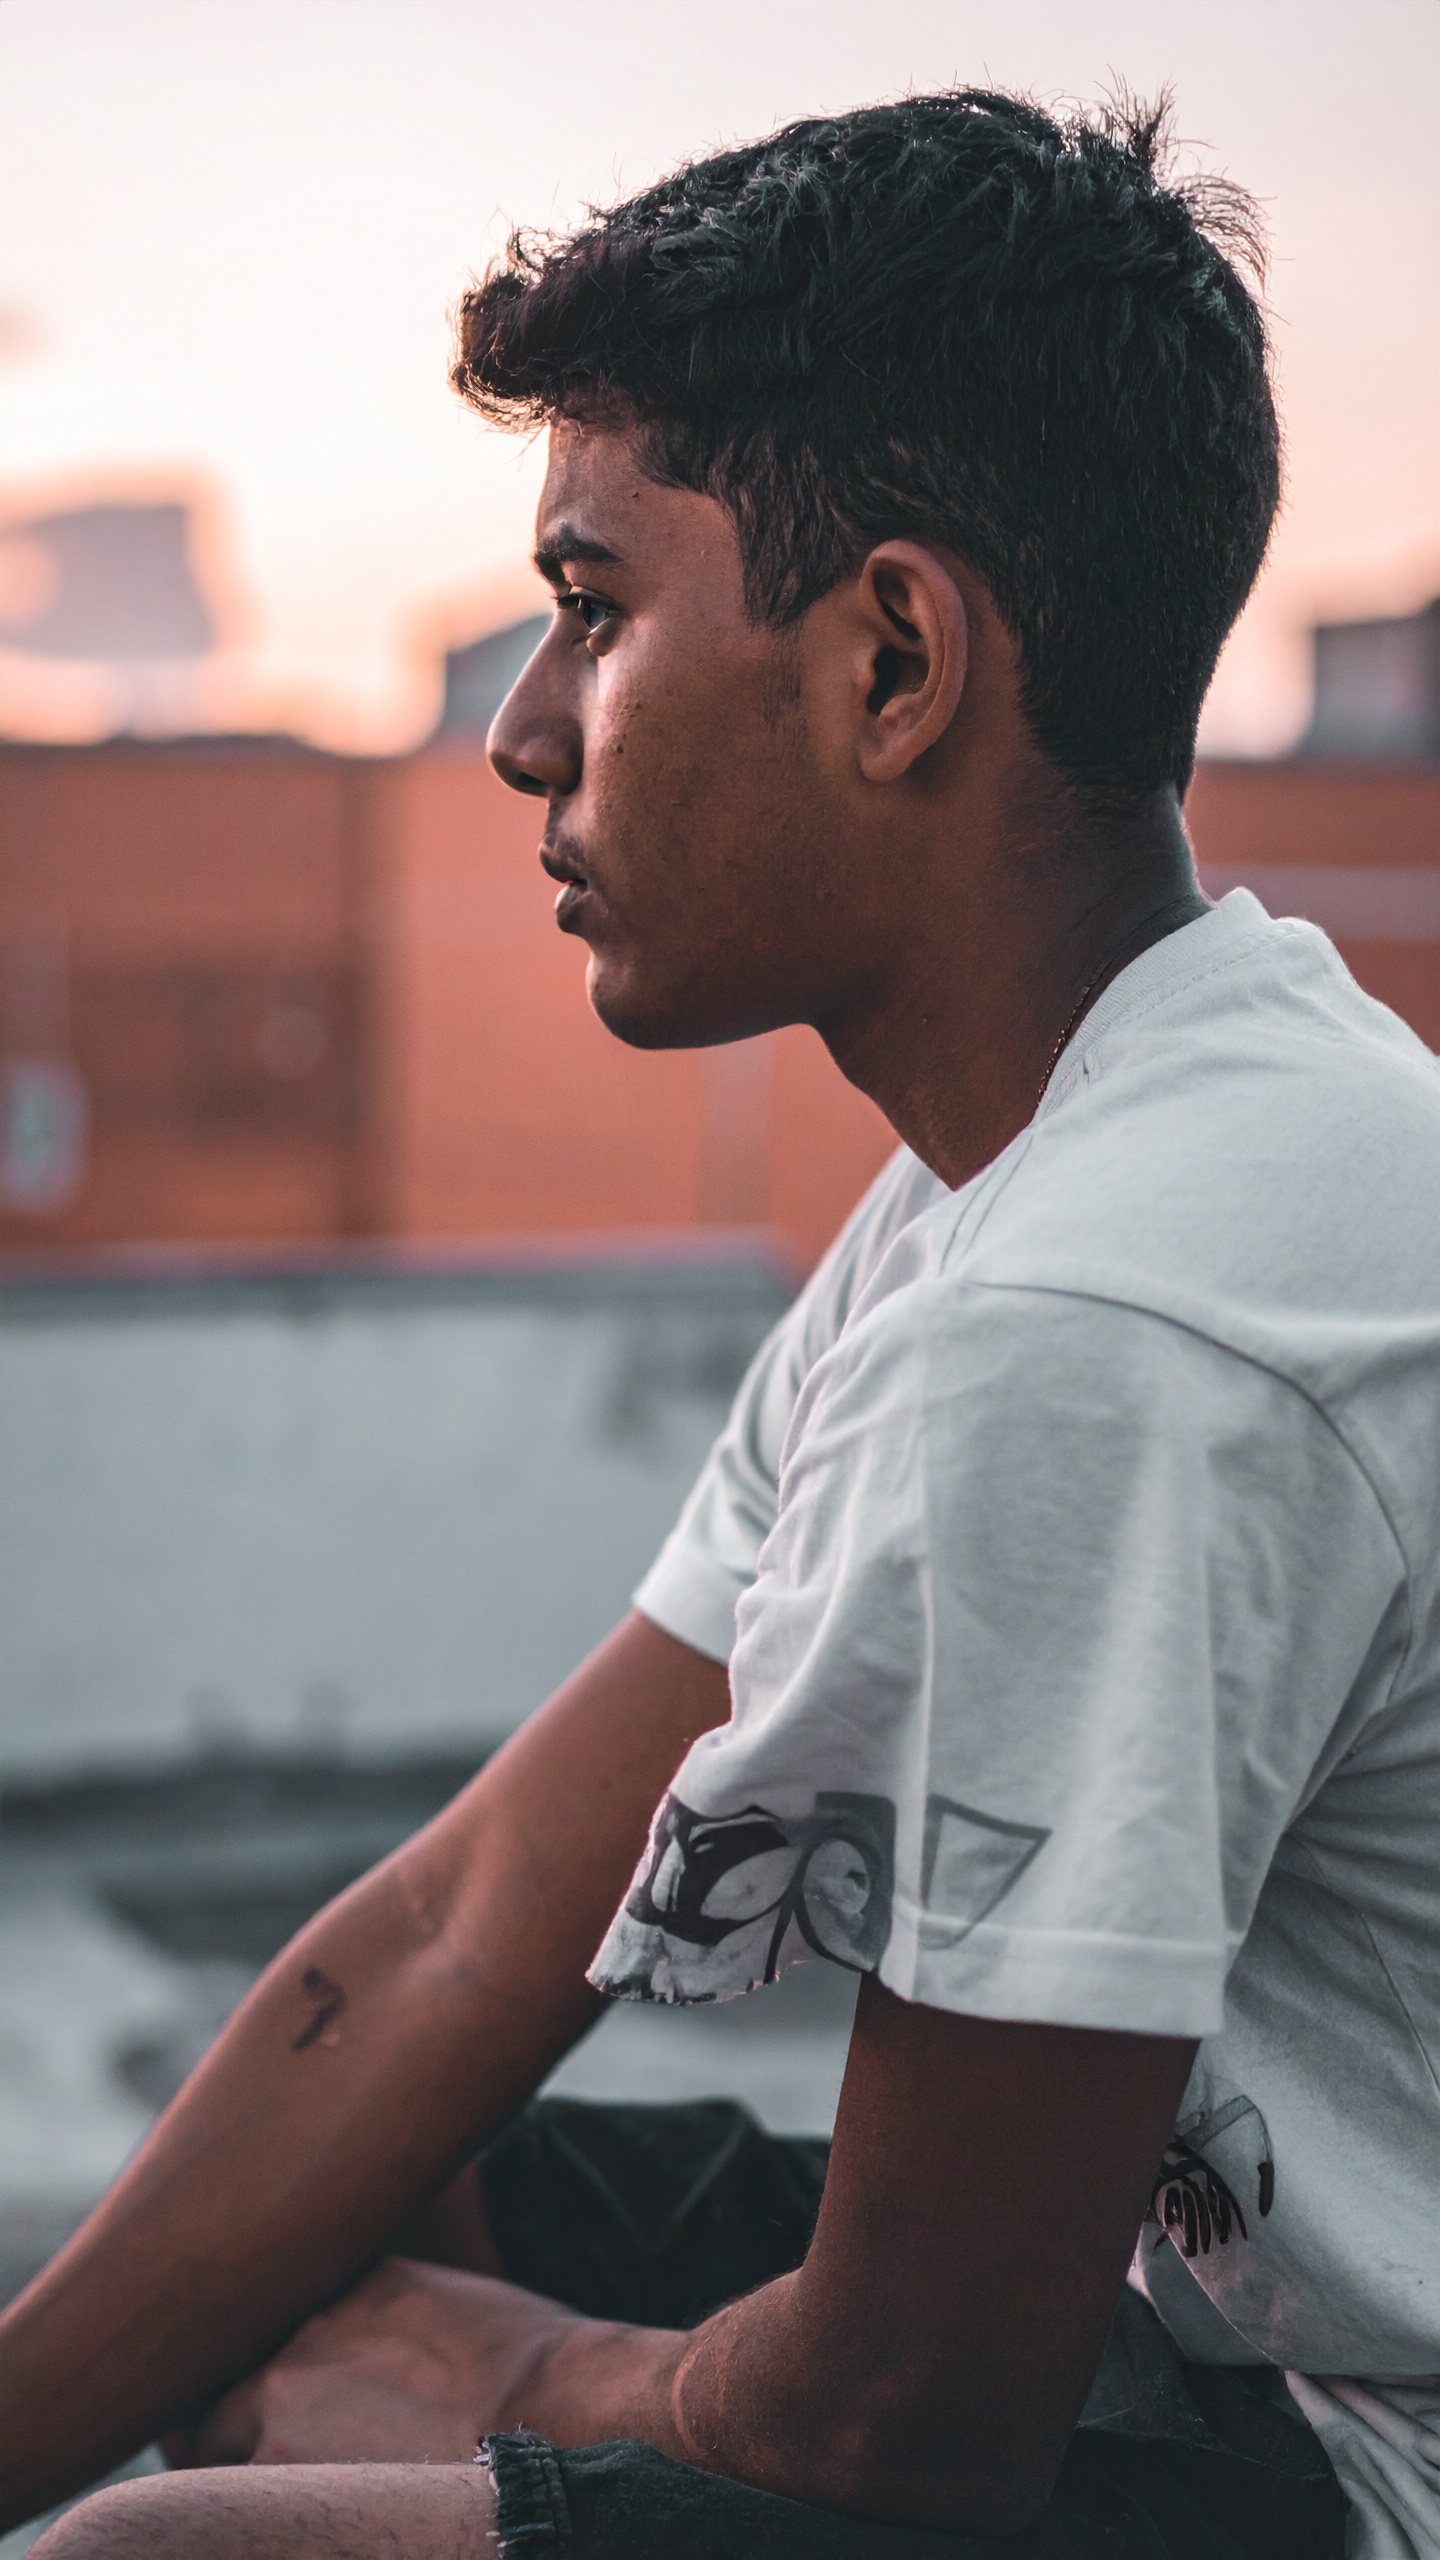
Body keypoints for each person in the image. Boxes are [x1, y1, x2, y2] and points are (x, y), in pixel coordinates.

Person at [9, 86, 1439, 2560]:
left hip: (1367, 2459)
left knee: (168, 2551)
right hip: (1225, 2326)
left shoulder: (1112, 1314)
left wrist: (519, 2377)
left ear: (894, 659)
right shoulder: (1045, 1162)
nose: (521, 729)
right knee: (375, 2207)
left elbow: (906, 2417)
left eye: (593, 602)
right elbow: (463, 1931)